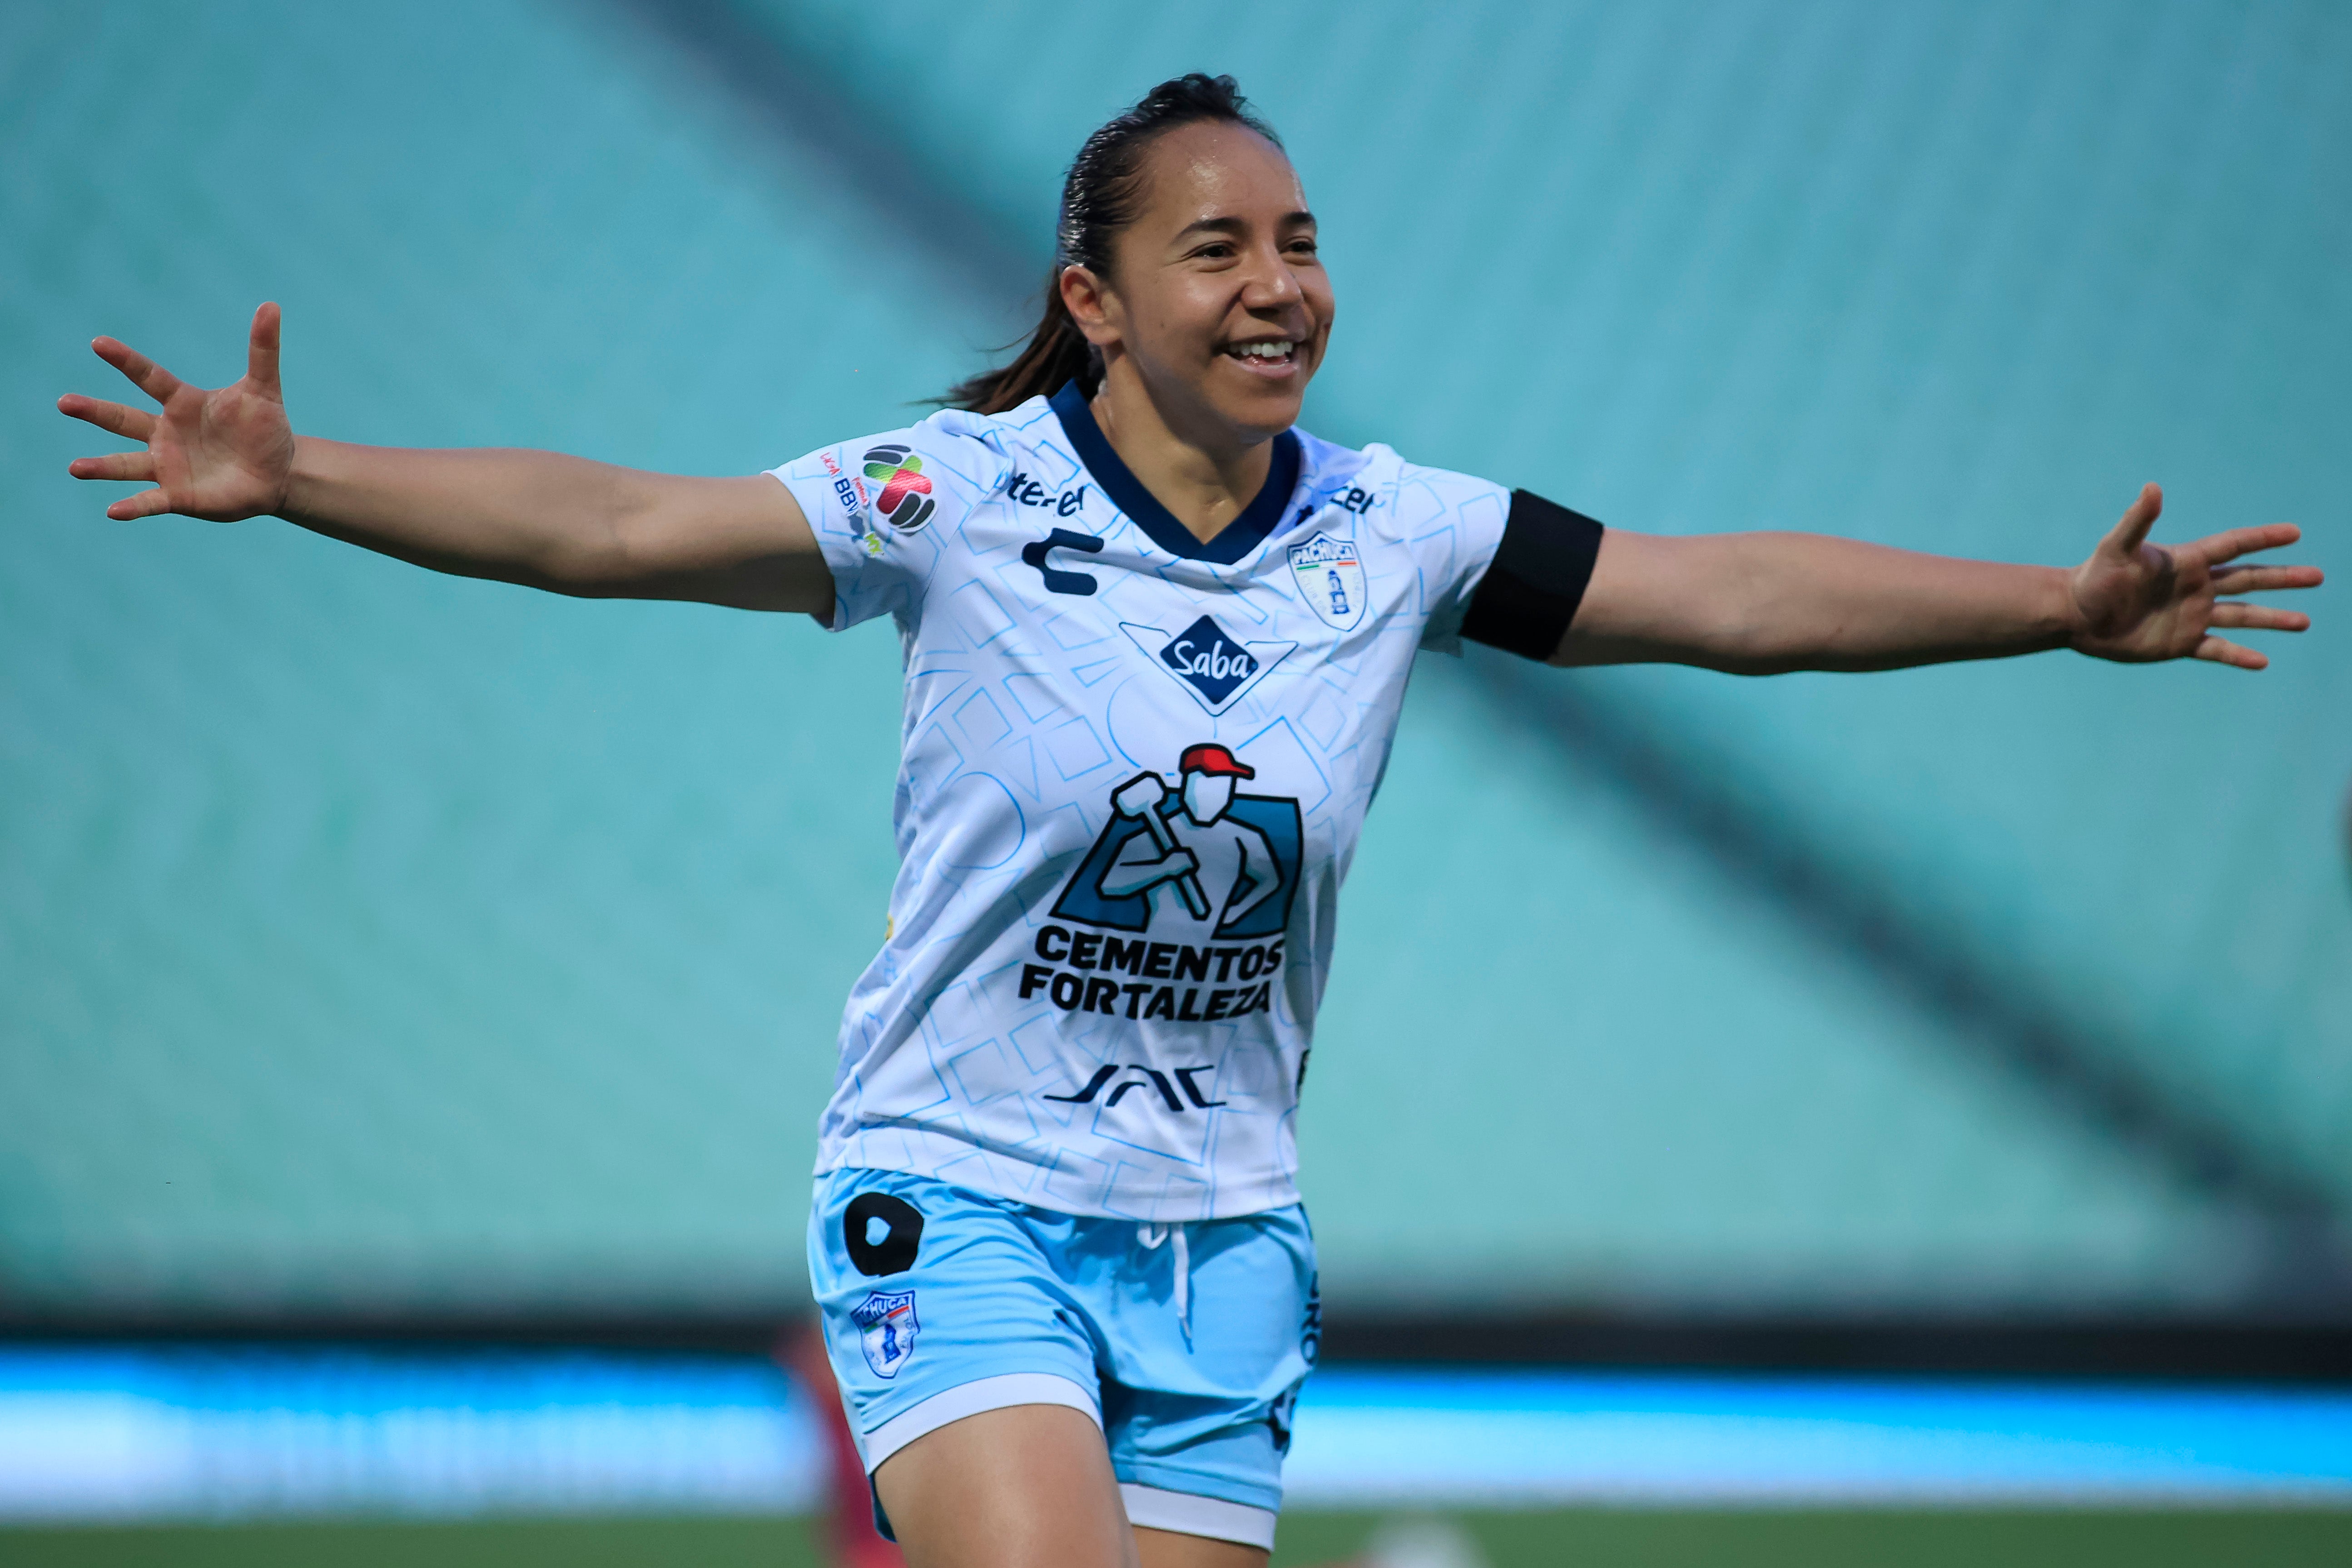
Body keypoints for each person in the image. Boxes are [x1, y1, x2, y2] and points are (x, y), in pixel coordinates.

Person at [57, 72, 2317, 1568]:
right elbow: (622, 525)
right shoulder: (953, 497)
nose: (1277, 284)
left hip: (1224, 1233)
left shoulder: (1394, 530)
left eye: (1299, 239)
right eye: (1217, 247)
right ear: (1096, 298)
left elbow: (1724, 597)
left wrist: (2053, 608)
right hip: (957, 1191)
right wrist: (304, 476)